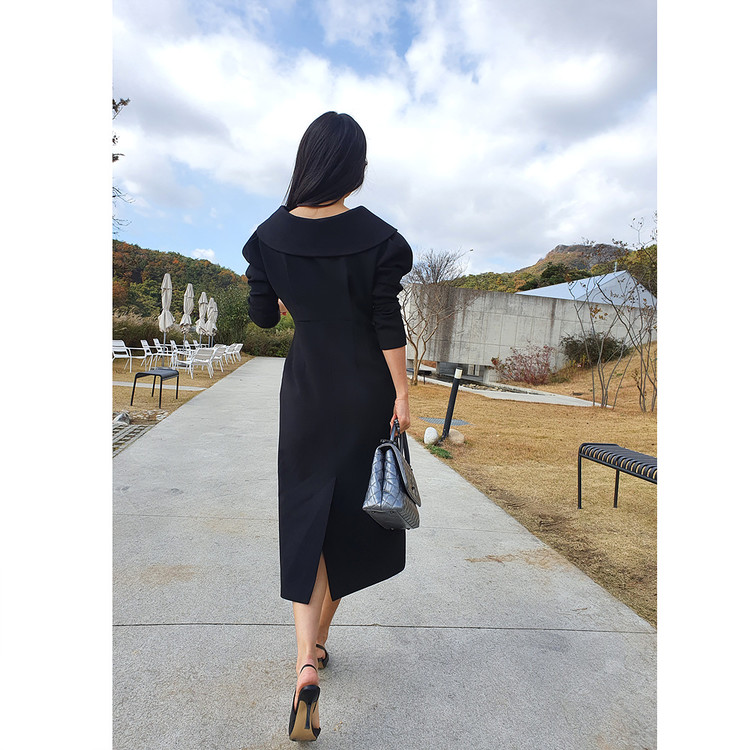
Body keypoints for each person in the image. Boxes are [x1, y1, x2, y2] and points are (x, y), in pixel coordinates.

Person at [241, 111, 413, 742]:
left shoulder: (267, 237)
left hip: (307, 392)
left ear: (307, 160)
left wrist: (291, 294)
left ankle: (304, 664)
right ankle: (317, 647)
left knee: (306, 519)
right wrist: (401, 392)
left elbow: (264, 317)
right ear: (354, 168)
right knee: (345, 519)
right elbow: (385, 320)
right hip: (364, 389)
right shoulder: (380, 238)